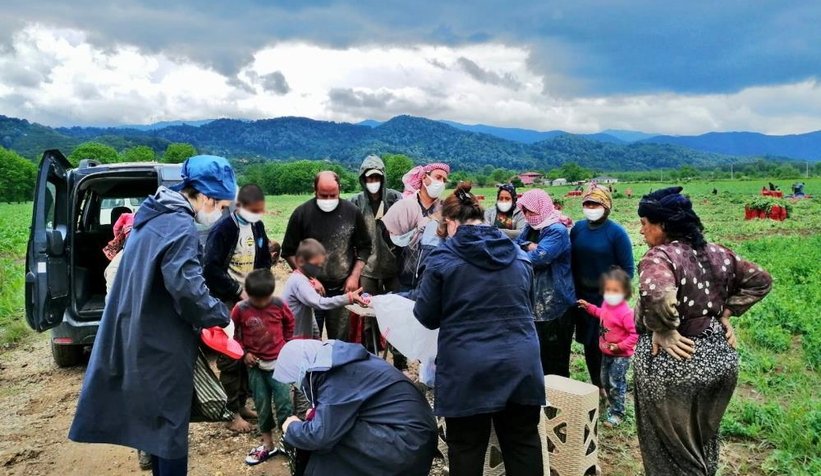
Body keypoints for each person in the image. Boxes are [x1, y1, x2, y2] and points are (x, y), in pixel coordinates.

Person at [70, 155, 237, 475]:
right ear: (205, 197)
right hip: (161, 343)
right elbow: (188, 289)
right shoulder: (179, 225)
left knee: (156, 428)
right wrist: (220, 316)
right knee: (171, 429)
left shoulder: (154, 215)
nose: (221, 213)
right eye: (221, 205)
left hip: (139, 331)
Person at [633, 187, 772, 475]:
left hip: (677, 364)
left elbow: (657, 295)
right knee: (702, 442)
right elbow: (761, 280)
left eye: (645, 224)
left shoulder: (659, 257)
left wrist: (664, 329)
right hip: (720, 362)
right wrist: (725, 311)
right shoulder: (718, 253)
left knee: (672, 454)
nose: (642, 230)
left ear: (663, 225)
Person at [414, 183, 546, 476]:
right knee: (523, 443)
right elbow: (529, 305)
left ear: (449, 222)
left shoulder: (443, 259)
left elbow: (427, 316)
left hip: (468, 369)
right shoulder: (518, 255)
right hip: (521, 364)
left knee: (467, 447)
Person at [274, 340, 438, 476]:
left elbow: (321, 435)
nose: (296, 385)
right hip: (411, 436)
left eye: (293, 381)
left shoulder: (334, 376)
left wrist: (292, 427)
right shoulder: (339, 362)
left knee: (330, 438)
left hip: (407, 444)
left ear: (302, 367)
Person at [204, 183, 273, 433]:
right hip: (227, 300)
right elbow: (210, 269)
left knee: (248, 353)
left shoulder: (257, 227)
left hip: (251, 299)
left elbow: (264, 259)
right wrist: (237, 290)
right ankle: (230, 411)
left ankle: (242, 403)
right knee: (231, 356)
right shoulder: (223, 229)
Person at [281, 171, 372, 341]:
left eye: (333, 195)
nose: (329, 200)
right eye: (324, 195)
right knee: (309, 339)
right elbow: (288, 251)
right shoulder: (302, 213)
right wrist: (308, 279)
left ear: (340, 190)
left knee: (339, 341)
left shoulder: (352, 212)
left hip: (342, 287)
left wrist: (354, 276)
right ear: (314, 190)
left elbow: (365, 247)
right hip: (310, 290)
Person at [570, 184, 634, 391]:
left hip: (606, 299)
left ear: (606, 205)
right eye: (587, 203)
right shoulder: (578, 229)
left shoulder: (616, 233)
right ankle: (597, 387)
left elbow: (627, 270)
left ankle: (611, 387)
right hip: (583, 298)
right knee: (590, 345)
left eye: (595, 203)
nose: (590, 207)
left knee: (608, 344)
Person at [231, 269, 295, 465]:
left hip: (279, 364)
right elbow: (234, 334)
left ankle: (288, 443)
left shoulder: (279, 304)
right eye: (256, 300)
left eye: (264, 299)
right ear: (248, 294)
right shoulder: (240, 309)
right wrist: (244, 353)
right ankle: (268, 443)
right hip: (256, 365)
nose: (260, 304)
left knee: (285, 403)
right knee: (262, 404)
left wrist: (287, 344)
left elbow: (289, 322)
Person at [515, 189, 576, 377]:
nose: (527, 216)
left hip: (555, 303)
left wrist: (528, 250)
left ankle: (558, 400)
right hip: (536, 300)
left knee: (555, 358)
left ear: (541, 208)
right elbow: (517, 244)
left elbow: (538, 258)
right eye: (525, 211)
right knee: (538, 355)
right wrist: (527, 246)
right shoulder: (532, 226)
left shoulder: (556, 230)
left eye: (530, 211)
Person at [349, 154, 403, 352]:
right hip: (367, 268)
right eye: (369, 178)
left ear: (383, 178)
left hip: (393, 266)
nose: (374, 182)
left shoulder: (395, 198)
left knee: (396, 314)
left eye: (377, 178)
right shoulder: (355, 202)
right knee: (368, 313)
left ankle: (398, 357)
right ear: (363, 179)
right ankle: (371, 354)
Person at [576, 267, 637, 428]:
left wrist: (620, 346)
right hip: (606, 352)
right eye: (608, 290)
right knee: (605, 380)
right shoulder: (607, 305)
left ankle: (617, 412)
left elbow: (634, 335)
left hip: (620, 356)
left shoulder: (625, 313)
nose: (611, 293)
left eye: (615, 290)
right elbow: (601, 313)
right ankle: (611, 404)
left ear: (625, 292)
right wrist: (589, 307)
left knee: (616, 382)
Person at [380, 162, 450, 292]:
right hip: (402, 278)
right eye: (438, 177)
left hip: (432, 281)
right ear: (424, 178)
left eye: (444, 180)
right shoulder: (405, 205)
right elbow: (388, 236)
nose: (441, 183)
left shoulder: (445, 209)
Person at [281, 239, 367, 340]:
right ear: (300, 261)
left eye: (320, 266)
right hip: (293, 339)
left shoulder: (303, 278)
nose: (317, 270)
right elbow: (319, 303)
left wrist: (316, 335)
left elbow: (308, 310)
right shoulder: (299, 281)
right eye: (315, 265)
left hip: (300, 336)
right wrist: (348, 298)